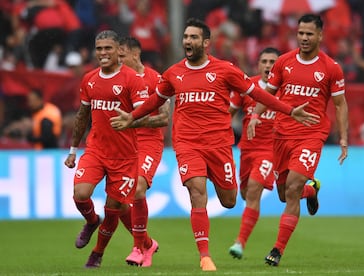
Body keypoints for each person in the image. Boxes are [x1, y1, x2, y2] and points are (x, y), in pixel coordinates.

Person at [110, 17, 320, 271]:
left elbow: (257, 94)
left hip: (219, 146)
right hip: (187, 144)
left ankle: (308, 190)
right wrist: (132, 116)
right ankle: (205, 256)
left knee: (231, 200)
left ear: (206, 42)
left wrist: (289, 110)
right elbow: (155, 100)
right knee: (197, 192)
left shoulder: (225, 70)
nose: (188, 41)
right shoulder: (174, 73)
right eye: (186, 36)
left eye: (193, 37)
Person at [247, 13, 348, 267]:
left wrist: (344, 138)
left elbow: (340, 104)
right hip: (281, 134)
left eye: (309, 33)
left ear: (320, 36)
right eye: (301, 33)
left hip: (311, 135)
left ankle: (277, 250)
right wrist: (255, 116)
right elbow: (268, 93)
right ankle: (311, 190)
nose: (303, 37)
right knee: (284, 194)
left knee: (291, 189)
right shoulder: (283, 63)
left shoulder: (331, 68)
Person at [64, 30, 147, 268]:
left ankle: (97, 253)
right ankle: (91, 221)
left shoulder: (132, 79)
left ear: (118, 51)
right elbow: (82, 115)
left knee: (113, 208)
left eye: (108, 48)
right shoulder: (89, 79)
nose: (103, 53)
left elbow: (144, 113)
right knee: (81, 194)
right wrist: (72, 149)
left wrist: (130, 119)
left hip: (124, 156)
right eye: (99, 48)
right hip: (96, 150)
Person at [117, 36, 170, 267]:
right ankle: (147, 244)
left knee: (138, 188)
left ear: (135, 55)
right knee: (118, 201)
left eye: (122, 56)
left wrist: (133, 122)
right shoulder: (117, 80)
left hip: (148, 142)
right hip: (122, 144)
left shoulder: (156, 79)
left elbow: (164, 118)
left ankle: (137, 248)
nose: (117, 61)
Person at [227, 47, 280, 259]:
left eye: (273, 62)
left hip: (271, 149)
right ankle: (309, 190)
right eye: (265, 61)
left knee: (255, 189)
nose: (268, 65)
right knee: (246, 193)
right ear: (258, 64)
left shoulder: (284, 89)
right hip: (246, 150)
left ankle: (239, 242)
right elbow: (228, 114)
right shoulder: (247, 86)